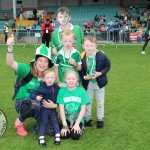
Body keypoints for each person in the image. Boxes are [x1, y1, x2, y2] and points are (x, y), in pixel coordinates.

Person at [6, 35, 55, 137]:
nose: (43, 64)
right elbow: (10, 63)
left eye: (45, 61)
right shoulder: (26, 69)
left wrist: (54, 106)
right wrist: (10, 49)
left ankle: (40, 121)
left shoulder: (48, 76)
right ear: (35, 61)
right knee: (35, 104)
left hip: (39, 104)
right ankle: (19, 122)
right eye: (40, 60)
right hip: (23, 102)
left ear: (48, 63)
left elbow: (53, 93)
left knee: (51, 130)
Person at [79, 35, 111, 129]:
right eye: (87, 45)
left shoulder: (101, 54)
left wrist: (100, 73)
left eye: (92, 45)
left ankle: (100, 119)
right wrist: (84, 77)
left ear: (96, 46)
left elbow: (107, 65)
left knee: (100, 101)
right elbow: (81, 70)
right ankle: (87, 119)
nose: (89, 48)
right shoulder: (82, 56)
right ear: (83, 46)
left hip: (99, 82)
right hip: (88, 83)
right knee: (88, 101)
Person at [57, 68, 90, 140]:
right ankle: (68, 126)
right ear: (65, 79)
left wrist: (77, 124)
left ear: (77, 79)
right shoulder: (61, 91)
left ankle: (81, 125)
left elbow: (83, 109)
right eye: (68, 78)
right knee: (64, 135)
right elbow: (61, 109)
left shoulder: (81, 91)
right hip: (66, 117)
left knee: (75, 136)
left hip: (77, 117)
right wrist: (65, 125)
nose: (71, 81)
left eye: (73, 78)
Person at [30, 69, 60, 146]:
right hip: (44, 109)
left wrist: (57, 104)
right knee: (44, 122)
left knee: (55, 121)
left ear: (55, 78)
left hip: (53, 109)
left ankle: (57, 136)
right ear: (43, 79)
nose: (50, 79)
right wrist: (36, 97)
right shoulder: (41, 87)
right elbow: (32, 94)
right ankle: (41, 138)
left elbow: (60, 96)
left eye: (51, 77)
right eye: (47, 78)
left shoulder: (56, 87)